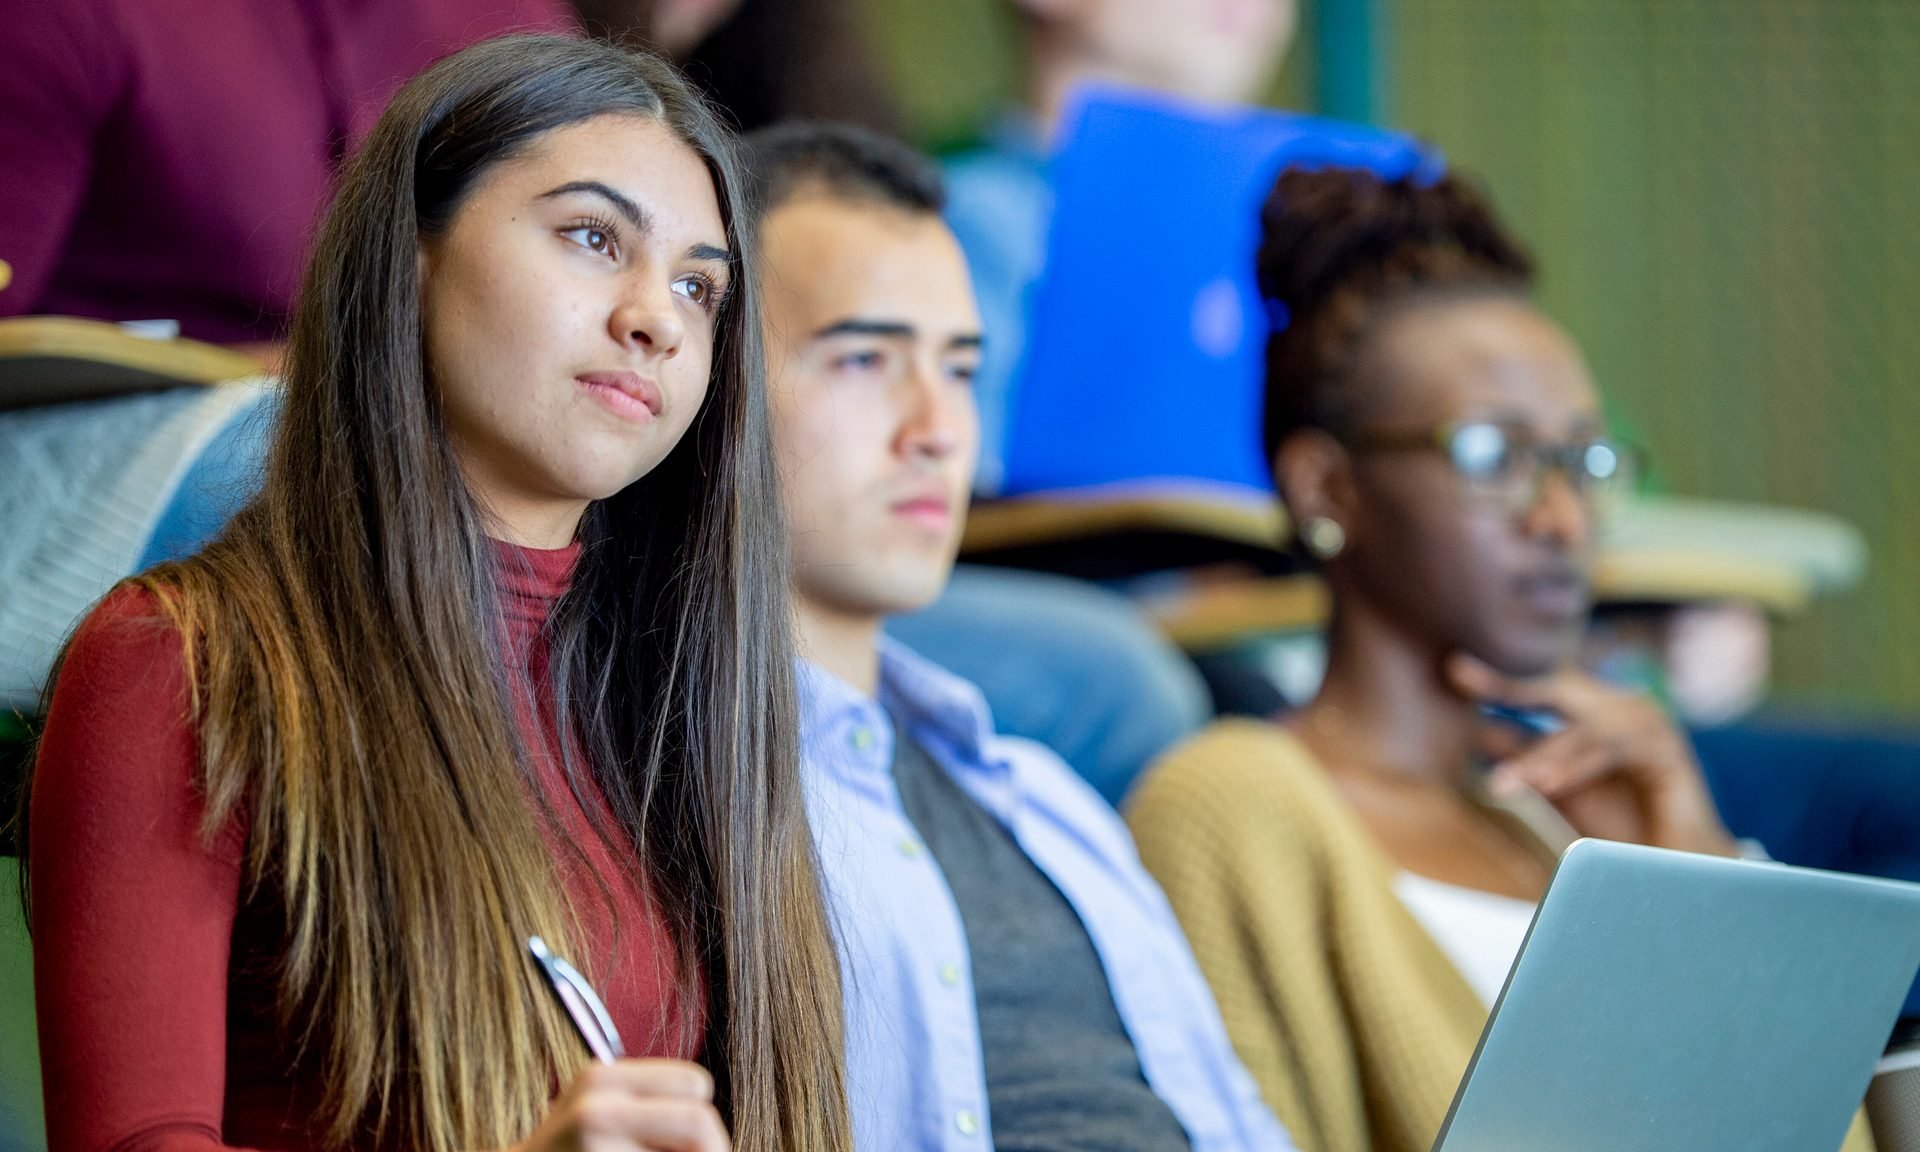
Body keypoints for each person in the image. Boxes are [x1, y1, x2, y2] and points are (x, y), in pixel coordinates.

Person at [20, 37, 847, 1152]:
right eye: (593, 238)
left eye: (701, 287)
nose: (657, 317)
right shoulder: (180, 662)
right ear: (410, 262)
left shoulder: (689, 702)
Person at [1122, 165, 1872, 1152]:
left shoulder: (1558, 827)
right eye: (1495, 456)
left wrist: (1698, 868)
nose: (1562, 520)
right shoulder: (1231, 804)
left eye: (1585, 461)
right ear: (1326, 487)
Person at [744, 119, 1292, 1152]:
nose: (940, 429)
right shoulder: (697, 811)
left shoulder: (1046, 801)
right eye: (866, 359)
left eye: (959, 369)